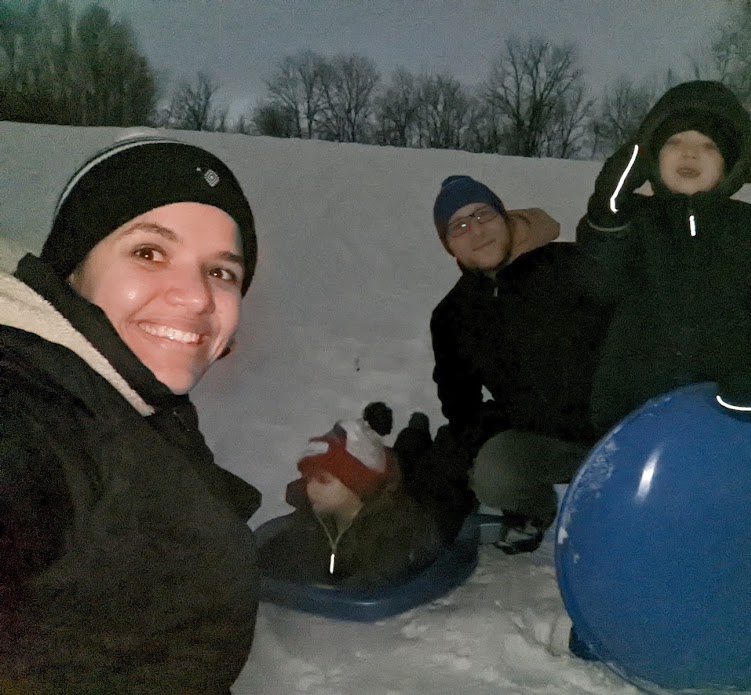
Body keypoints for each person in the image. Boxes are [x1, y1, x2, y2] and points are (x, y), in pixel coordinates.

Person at [0, 135, 261, 694]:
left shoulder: (136, 404)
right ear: (71, 270)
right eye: (149, 252)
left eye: (221, 272)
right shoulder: (27, 405)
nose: (197, 297)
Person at [577, 80, 751, 437]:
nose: (689, 154)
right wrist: (607, 215)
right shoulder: (632, 222)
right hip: (629, 415)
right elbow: (598, 284)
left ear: (730, 164)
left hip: (720, 416)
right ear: (651, 158)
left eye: (708, 146)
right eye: (674, 143)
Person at [430, 176, 615, 553]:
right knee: (493, 472)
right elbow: (460, 402)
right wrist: (481, 436)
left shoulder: (572, 265)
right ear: (449, 246)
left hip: (621, 431)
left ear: (504, 216)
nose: (476, 231)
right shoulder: (453, 315)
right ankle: (534, 512)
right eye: (459, 226)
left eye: (483, 215)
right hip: (554, 444)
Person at [256, 414, 447, 588]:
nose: (311, 488)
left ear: (357, 485)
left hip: (429, 497)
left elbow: (380, 580)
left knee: (424, 464)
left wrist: (333, 589)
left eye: (323, 480)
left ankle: (416, 432)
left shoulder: (396, 530)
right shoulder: (311, 520)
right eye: (307, 478)